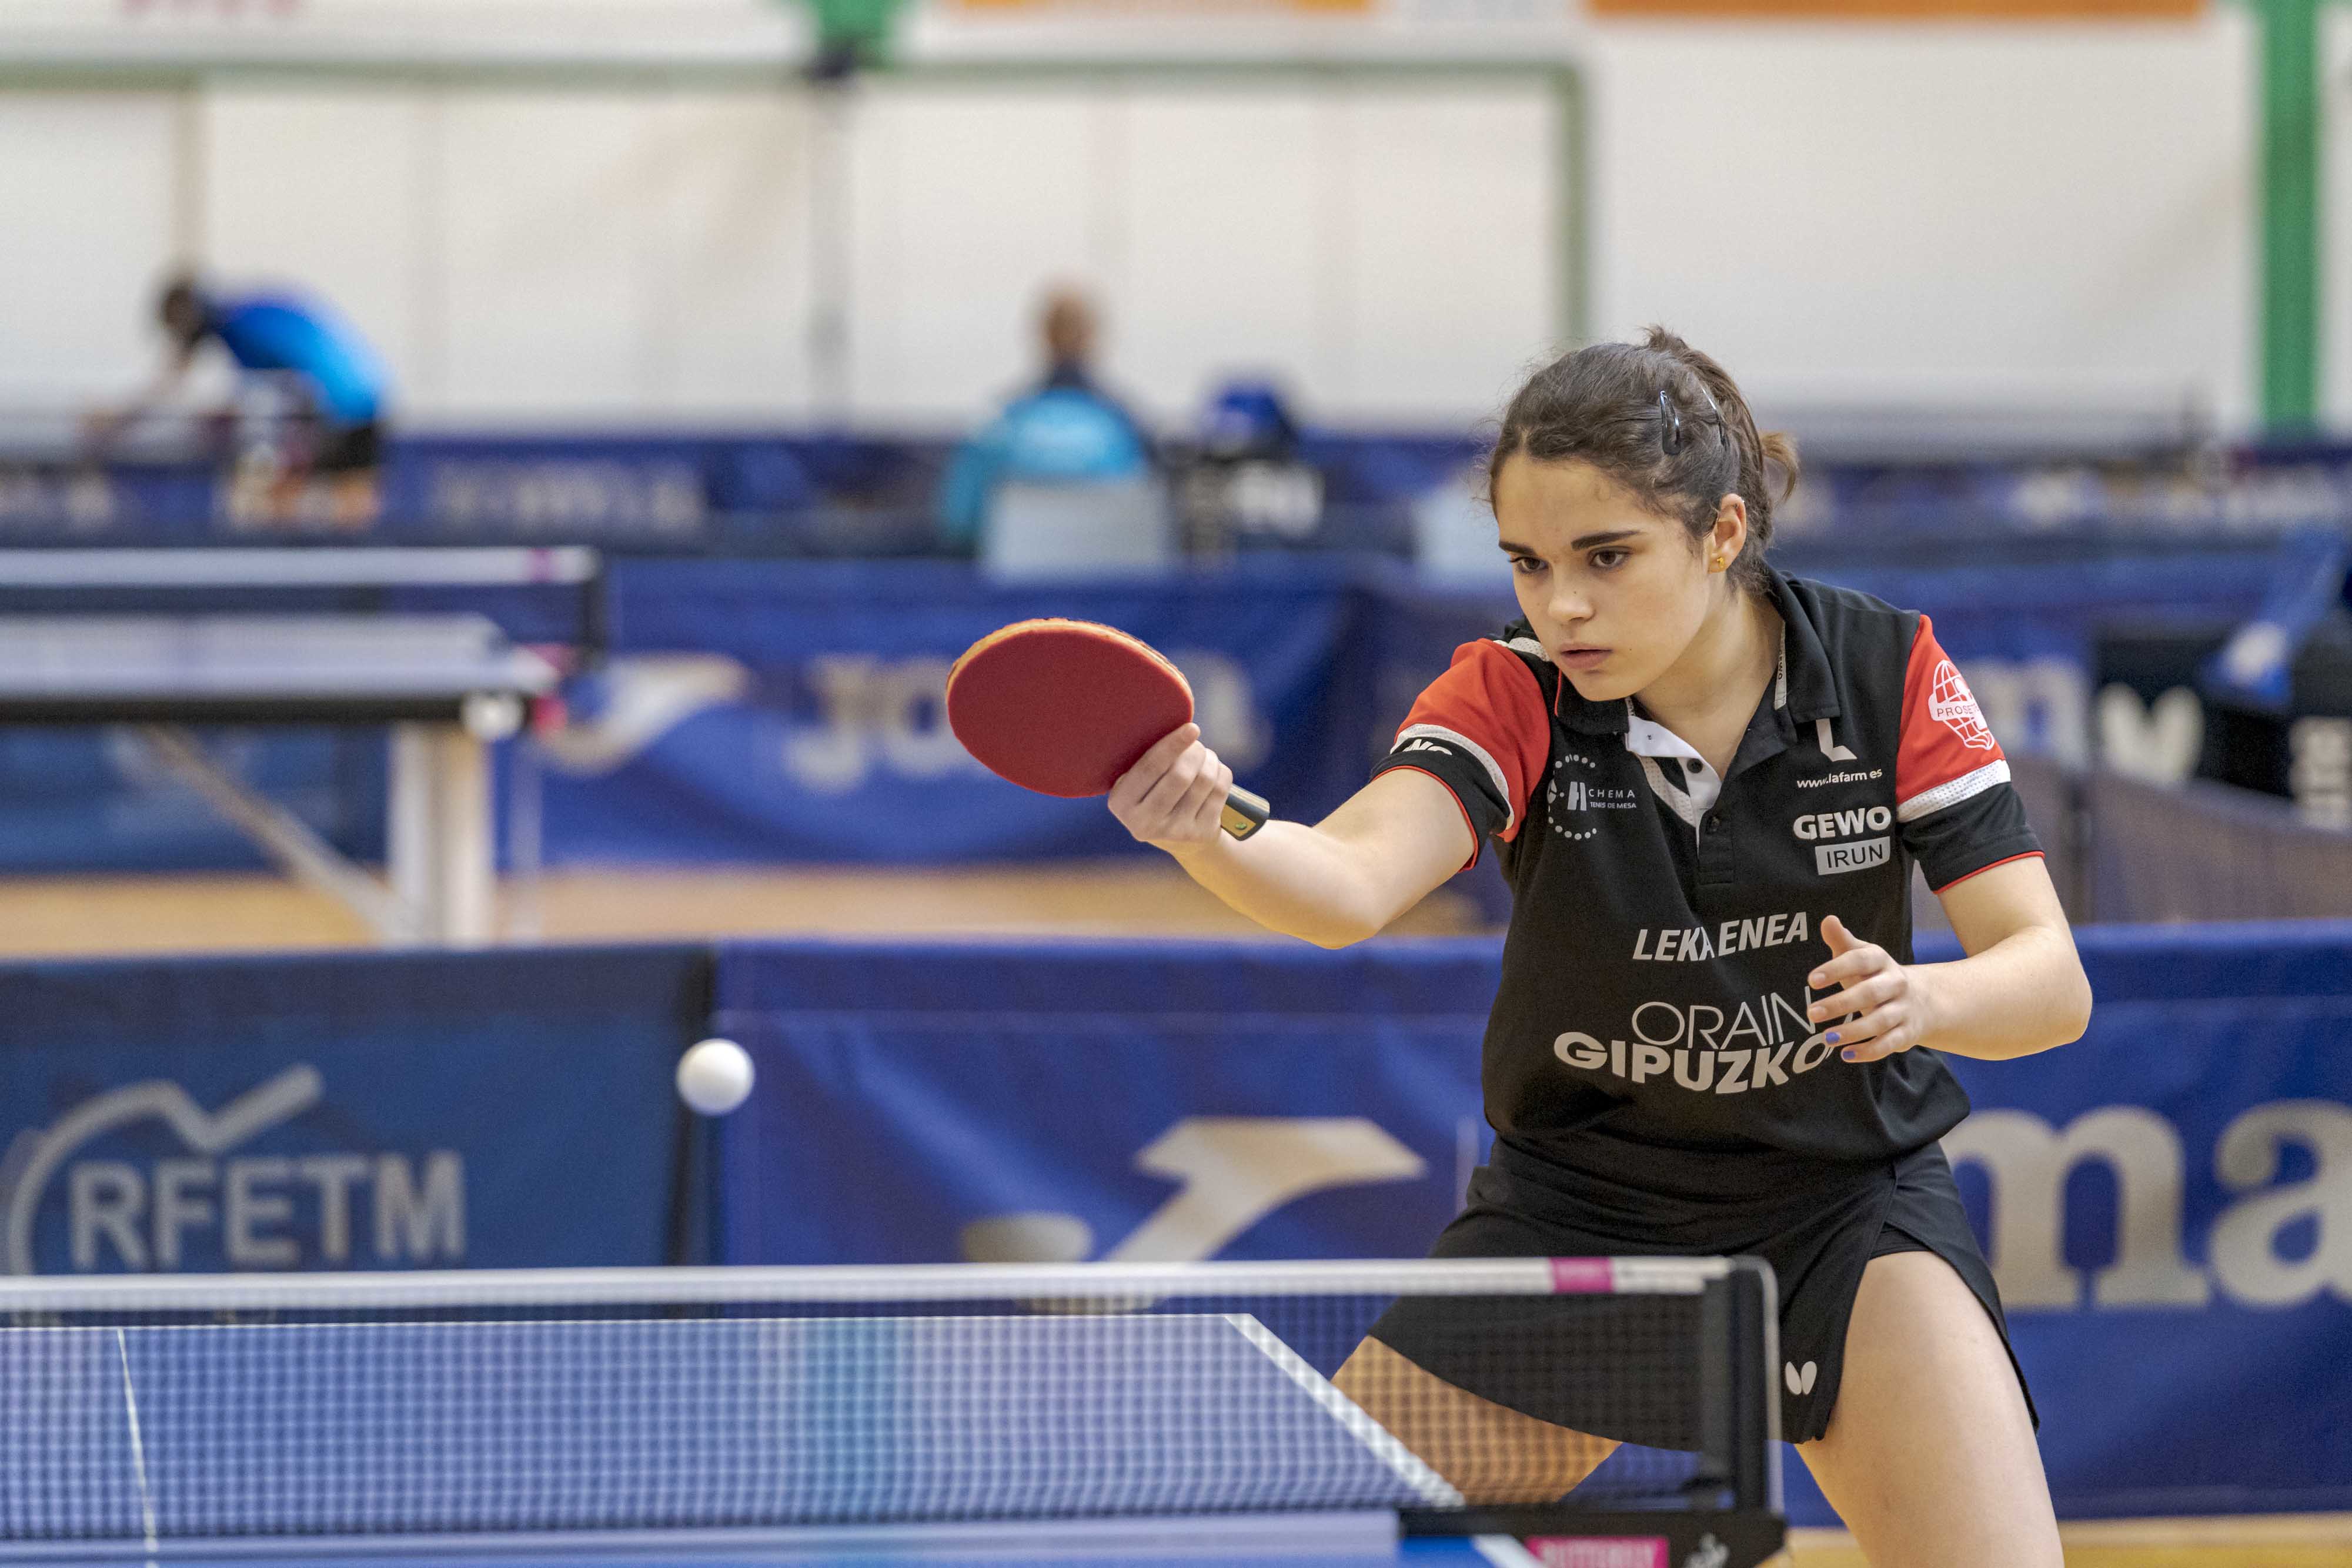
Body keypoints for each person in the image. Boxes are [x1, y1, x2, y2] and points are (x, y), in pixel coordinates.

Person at [1106, 329, 2090, 1568]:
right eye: (1527, 562)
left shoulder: (1883, 671)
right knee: (1313, 1547)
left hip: (1843, 1209)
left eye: (1604, 557)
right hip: (1580, 1214)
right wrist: (1204, 835)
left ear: (1721, 533)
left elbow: (2048, 980)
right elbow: (1348, 882)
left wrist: (1922, 994)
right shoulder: (1511, 696)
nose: (1560, 604)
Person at [94, 271, 390, 529]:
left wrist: (119, 421)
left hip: (342, 405)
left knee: (304, 495)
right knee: (328, 492)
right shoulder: (240, 319)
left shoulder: (240, 325)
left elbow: (301, 371)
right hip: (357, 397)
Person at [938, 286, 1154, 551]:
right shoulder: (1125, 431)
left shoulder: (1000, 429)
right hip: (1109, 586)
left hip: (1012, 588)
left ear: (1043, 336)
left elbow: (958, 524)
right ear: (1093, 338)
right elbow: (1145, 527)